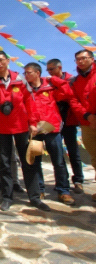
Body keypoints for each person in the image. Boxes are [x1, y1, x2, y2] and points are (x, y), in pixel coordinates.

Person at [0, 51, 48, 212]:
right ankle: (7, 197)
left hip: (21, 126)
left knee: (29, 161)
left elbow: (30, 102)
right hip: (2, 128)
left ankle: (34, 197)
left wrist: (33, 123)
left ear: (8, 60)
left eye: (1, 60)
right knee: (5, 164)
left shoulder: (20, 80)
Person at [24, 63, 75, 206]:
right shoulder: (26, 90)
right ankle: (39, 189)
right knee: (36, 161)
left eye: (29, 73)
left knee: (58, 161)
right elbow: (24, 108)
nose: (26, 75)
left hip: (52, 128)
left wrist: (54, 79)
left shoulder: (51, 87)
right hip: (35, 130)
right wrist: (31, 124)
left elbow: (68, 92)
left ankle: (63, 191)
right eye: (25, 73)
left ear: (37, 73)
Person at [46, 59, 85, 194]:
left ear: (59, 68)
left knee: (73, 152)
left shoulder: (71, 80)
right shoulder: (49, 83)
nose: (49, 72)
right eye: (48, 70)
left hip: (69, 120)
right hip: (55, 121)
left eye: (52, 69)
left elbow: (68, 93)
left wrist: (56, 82)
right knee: (57, 154)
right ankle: (62, 181)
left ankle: (78, 180)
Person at [68, 50, 96, 202]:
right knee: (95, 157)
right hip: (86, 123)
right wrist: (88, 116)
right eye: (77, 59)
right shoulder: (75, 81)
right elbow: (74, 101)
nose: (80, 61)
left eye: (83, 58)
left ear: (92, 59)